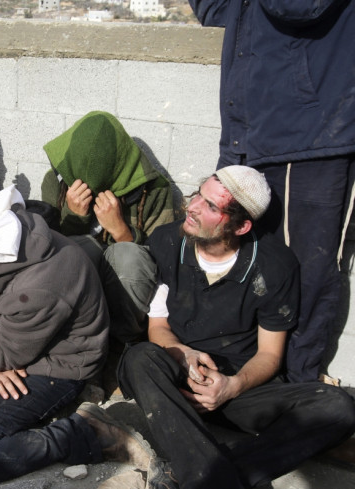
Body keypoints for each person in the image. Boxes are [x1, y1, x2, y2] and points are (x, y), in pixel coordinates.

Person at [112, 166, 355, 489]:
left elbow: (270, 354)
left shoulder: (273, 265)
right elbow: (158, 326)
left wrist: (232, 385)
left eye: (211, 206)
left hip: (235, 390)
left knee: (338, 406)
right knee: (139, 358)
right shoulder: (168, 241)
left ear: (241, 225)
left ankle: (203, 473)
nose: (193, 206)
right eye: (198, 194)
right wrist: (182, 354)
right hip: (175, 380)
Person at [0, 192, 156, 486]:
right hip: (13, 341)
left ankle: (86, 432)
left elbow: (4, 356)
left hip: (55, 366)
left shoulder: (36, 287)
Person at [189, 0, 355, 382]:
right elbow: (213, 9)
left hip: (312, 134)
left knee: (308, 267)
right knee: (238, 253)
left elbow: (299, 7)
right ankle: (247, 371)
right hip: (247, 133)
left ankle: (300, 384)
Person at [41, 110, 175, 342]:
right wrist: (74, 217)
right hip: (77, 300)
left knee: (128, 255)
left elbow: (164, 260)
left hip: (129, 299)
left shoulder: (154, 191)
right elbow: (45, 250)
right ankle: (73, 337)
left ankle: (120, 344)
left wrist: (122, 232)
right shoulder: (56, 181)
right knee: (75, 247)